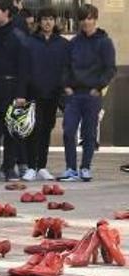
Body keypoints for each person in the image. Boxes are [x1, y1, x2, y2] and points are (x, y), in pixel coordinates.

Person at [59, 4, 115, 182]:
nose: (86, 22)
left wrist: (98, 87)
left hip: (92, 94)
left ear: (95, 19)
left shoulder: (105, 42)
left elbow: (110, 69)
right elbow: (65, 66)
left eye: (89, 18)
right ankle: (70, 168)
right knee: (68, 131)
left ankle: (85, 168)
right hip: (73, 94)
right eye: (82, 18)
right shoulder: (74, 43)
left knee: (89, 133)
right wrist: (66, 86)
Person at [0, 0, 30, 182]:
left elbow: (24, 68)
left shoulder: (18, 36)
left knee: (11, 130)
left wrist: (21, 93)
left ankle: (10, 166)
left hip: (12, 88)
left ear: (6, 13)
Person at [24, 7, 67, 181]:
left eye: (51, 19)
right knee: (33, 129)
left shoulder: (63, 44)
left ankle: (42, 166)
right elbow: (24, 68)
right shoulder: (30, 42)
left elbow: (66, 68)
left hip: (53, 93)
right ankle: (30, 167)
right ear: (39, 22)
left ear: (55, 21)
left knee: (46, 130)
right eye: (44, 19)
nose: (48, 22)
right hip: (33, 93)